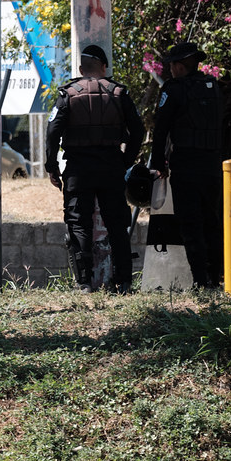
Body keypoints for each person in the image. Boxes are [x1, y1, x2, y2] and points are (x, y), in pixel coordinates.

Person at [45, 45, 145, 293]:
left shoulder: (68, 94)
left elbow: (52, 132)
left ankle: (84, 283)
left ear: (80, 69)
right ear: (103, 67)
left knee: (78, 224)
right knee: (117, 225)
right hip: (111, 165)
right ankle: (124, 281)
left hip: (78, 168)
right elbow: (138, 131)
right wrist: (125, 161)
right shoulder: (119, 93)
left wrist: (52, 167)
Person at [149, 42, 224, 289]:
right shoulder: (213, 87)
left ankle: (201, 281)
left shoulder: (174, 90)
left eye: (172, 64)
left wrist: (159, 163)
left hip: (186, 167)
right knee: (211, 222)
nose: (169, 69)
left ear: (180, 67)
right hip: (212, 166)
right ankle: (216, 278)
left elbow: (160, 130)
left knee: (191, 224)